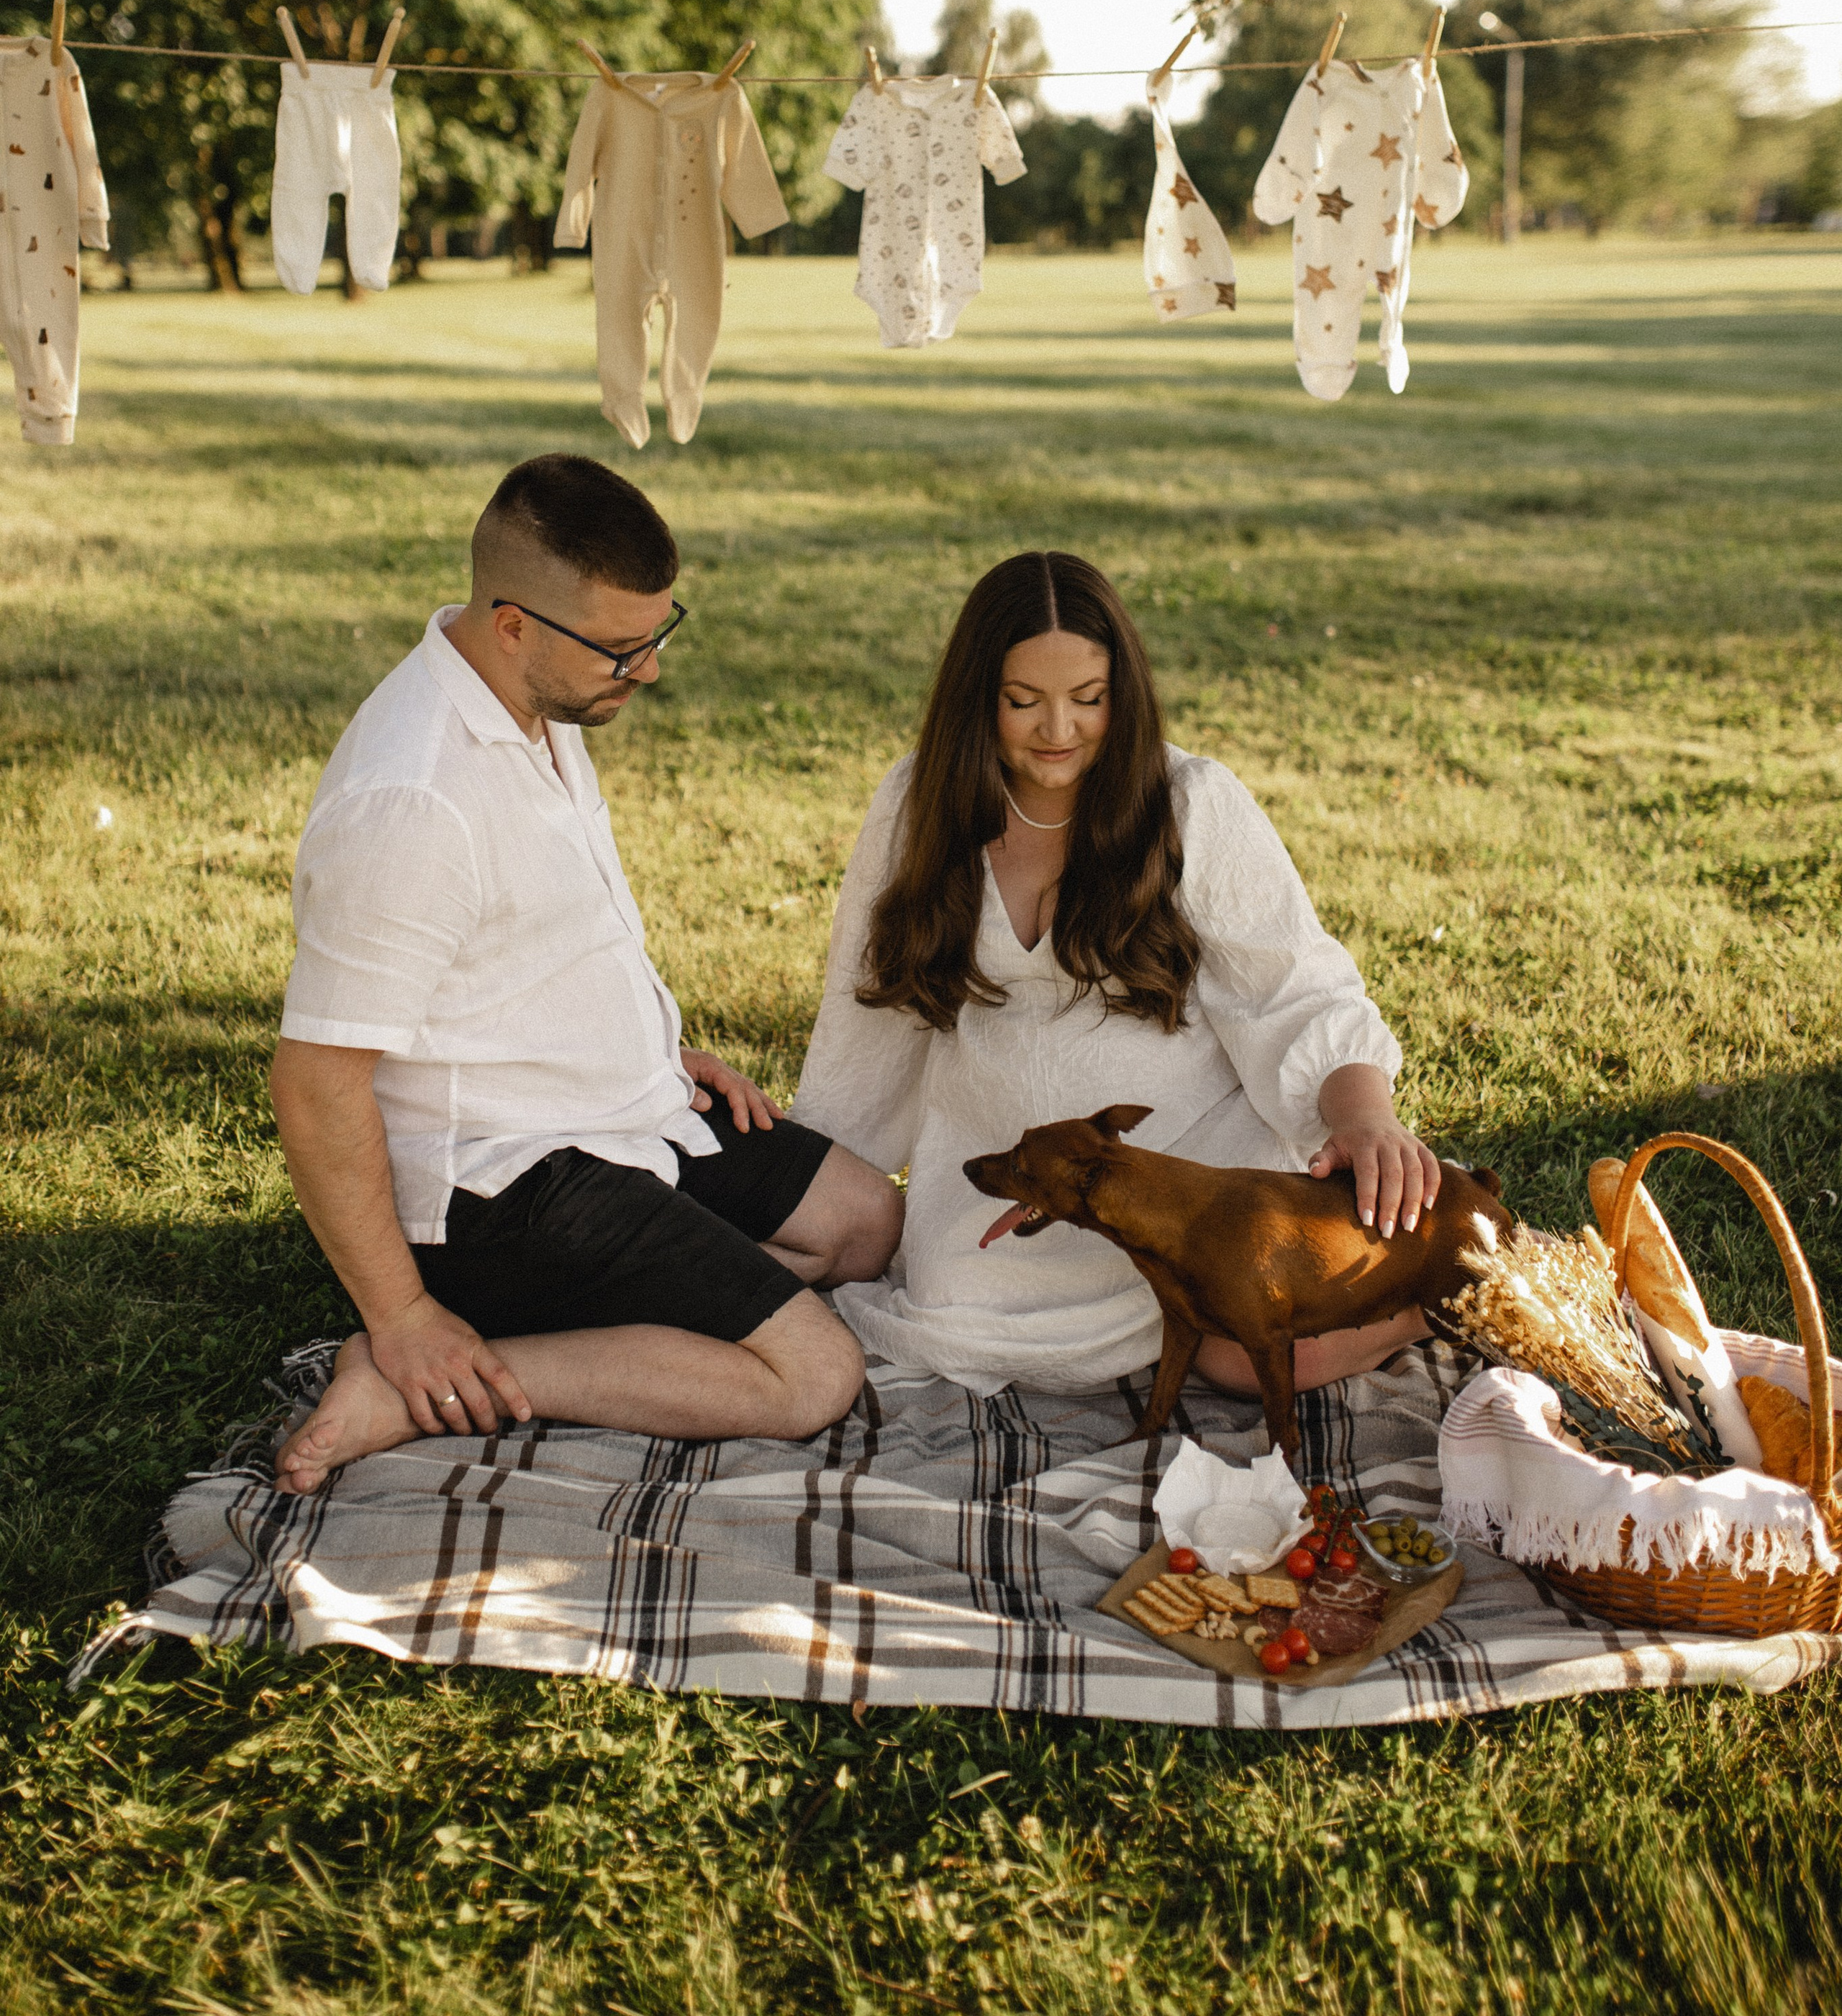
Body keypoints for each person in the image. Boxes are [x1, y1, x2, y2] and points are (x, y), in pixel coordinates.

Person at [268, 453, 902, 1494]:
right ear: (513, 624)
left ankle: (622, 1333)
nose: (646, 670)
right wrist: (405, 1314)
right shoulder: (413, 801)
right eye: (620, 648)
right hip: (501, 1179)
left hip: (624, 1111)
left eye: (657, 633)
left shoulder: (533, 701)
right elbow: (314, 1082)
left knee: (864, 1222)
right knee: (813, 1374)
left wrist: (656, 1052)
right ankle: (427, 1379)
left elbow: (537, 949)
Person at [791, 550, 1440, 1402]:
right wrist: (814, 1167)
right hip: (1015, 1184)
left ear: (1122, 694)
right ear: (975, 697)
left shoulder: (1190, 801)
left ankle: (1452, 1280)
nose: (1057, 728)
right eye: (1023, 700)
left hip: (1193, 1167)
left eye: (1088, 698)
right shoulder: (919, 803)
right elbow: (869, 1010)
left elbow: (1295, 988)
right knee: (946, 1305)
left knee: (1249, 1353)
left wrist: (1364, 1117)